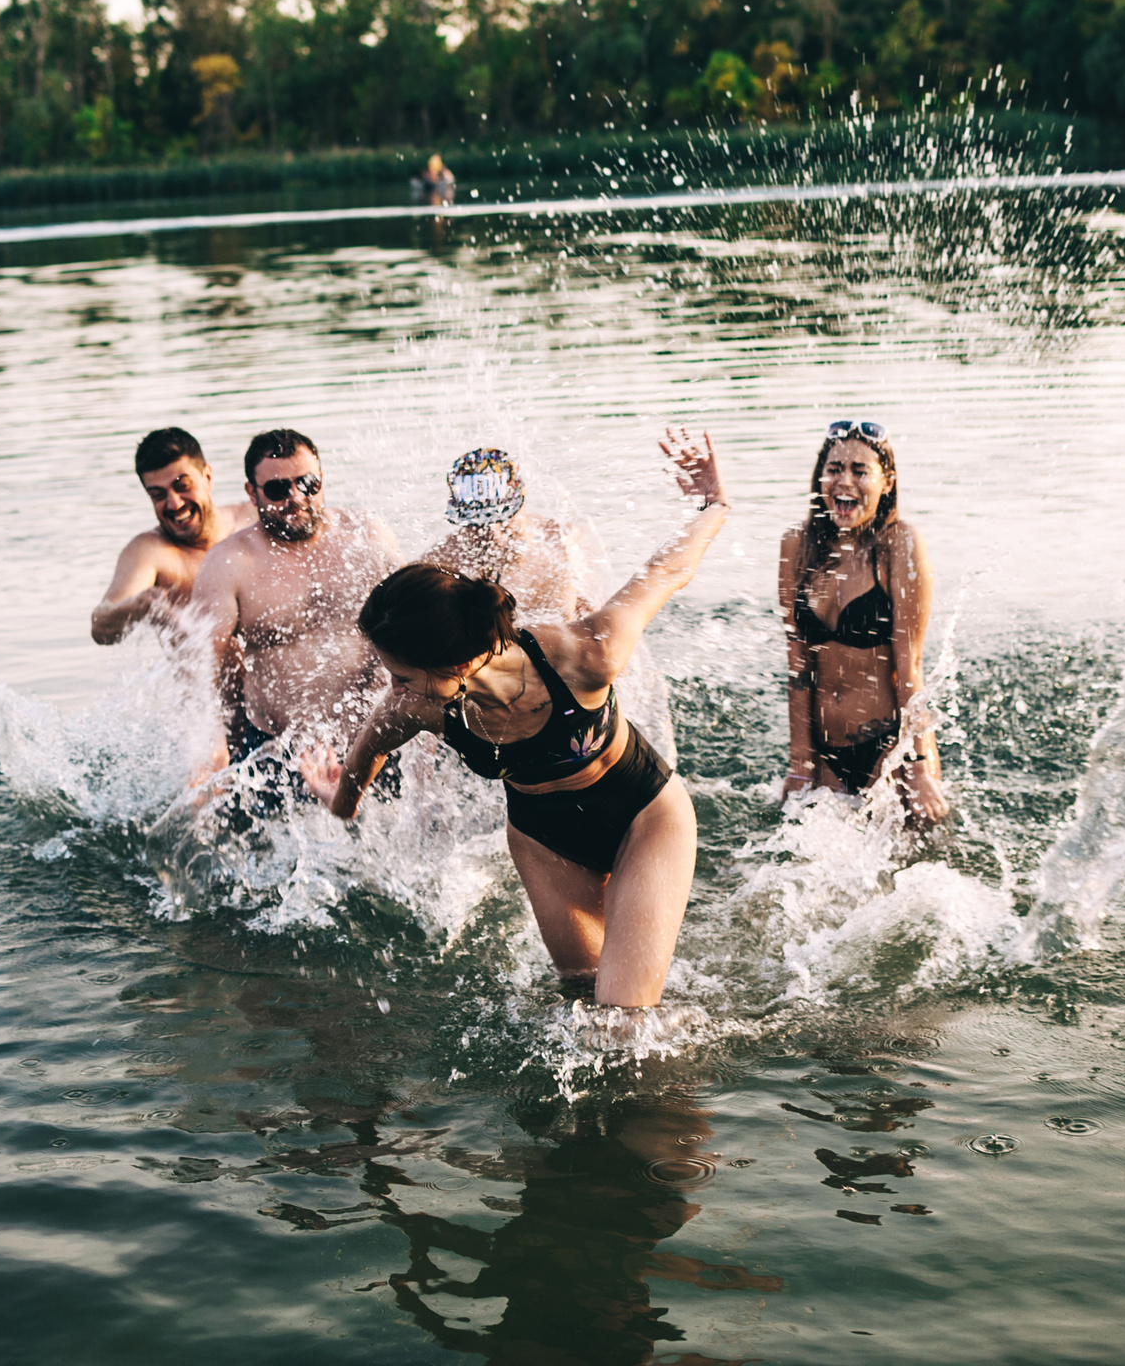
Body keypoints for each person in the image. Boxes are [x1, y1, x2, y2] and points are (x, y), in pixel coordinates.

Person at [317, 430, 729, 1008]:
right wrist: (338, 805)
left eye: (403, 674)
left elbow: (662, 574)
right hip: (542, 839)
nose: (393, 689)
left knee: (624, 1018)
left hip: (641, 814)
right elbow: (366, 754)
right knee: (581, 999)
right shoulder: (418, 704)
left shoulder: (584, 655)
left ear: (454, 662)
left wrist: (713, 504)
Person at [188, 428, 402, 810]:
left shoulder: (366, 534)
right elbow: (206, 668)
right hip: (280, 749)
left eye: (308, 483)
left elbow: (415, 625)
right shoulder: (228, 563)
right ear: (251, 493)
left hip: (373, 737)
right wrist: (214, 751)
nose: (296, 498)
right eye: (277, 489)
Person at [779, 420, 948, 824]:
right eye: (835, 469)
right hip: (824, 754)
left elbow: (911, 667)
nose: (845, 482)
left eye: (860, 471)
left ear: (886, 482)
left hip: (891, 751)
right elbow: (799, 666)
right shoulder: (797, 545)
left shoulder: (899, 544)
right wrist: (800, 760)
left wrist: (920, 766)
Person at [91, 427, 254, 645]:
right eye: (158, 495)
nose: (174, 503)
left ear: (207, 477)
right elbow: (102, 630)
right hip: (204, 678)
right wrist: (139, 606)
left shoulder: (253, 521)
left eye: (183, 486)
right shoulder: (151, 552)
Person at [420, 447, 592, 624]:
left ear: (522, 505)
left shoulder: (562, 541)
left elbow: (593, 620)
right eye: (477, 523)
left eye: (502, 518)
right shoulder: (439, 568)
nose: (492, 535)